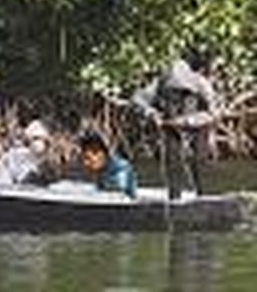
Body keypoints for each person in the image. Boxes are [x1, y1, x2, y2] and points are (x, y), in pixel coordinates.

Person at [131, 55, 219, 199]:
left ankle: (204, 196)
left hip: (198, 125)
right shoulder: (161, 82)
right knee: (173, 160)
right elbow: (137, 99)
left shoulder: (201, 84)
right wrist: (152, 114)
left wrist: (188, 121)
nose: (177, 96)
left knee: (199, 160)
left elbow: (214, 112)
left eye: (183, 92)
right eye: (173, 92)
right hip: (170, 125)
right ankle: (174, 197)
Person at [0, 119, 57, 186]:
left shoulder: (44, 162)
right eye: (35, 138)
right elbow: (24, 181)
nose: (41, 142)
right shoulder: (17, 157)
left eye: (44, 140)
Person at [78, 130, 137, 198]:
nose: (85, 164)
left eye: (87, 158)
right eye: (84, 158)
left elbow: (117, 198)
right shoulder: (103, 170)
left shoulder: (119, 169)